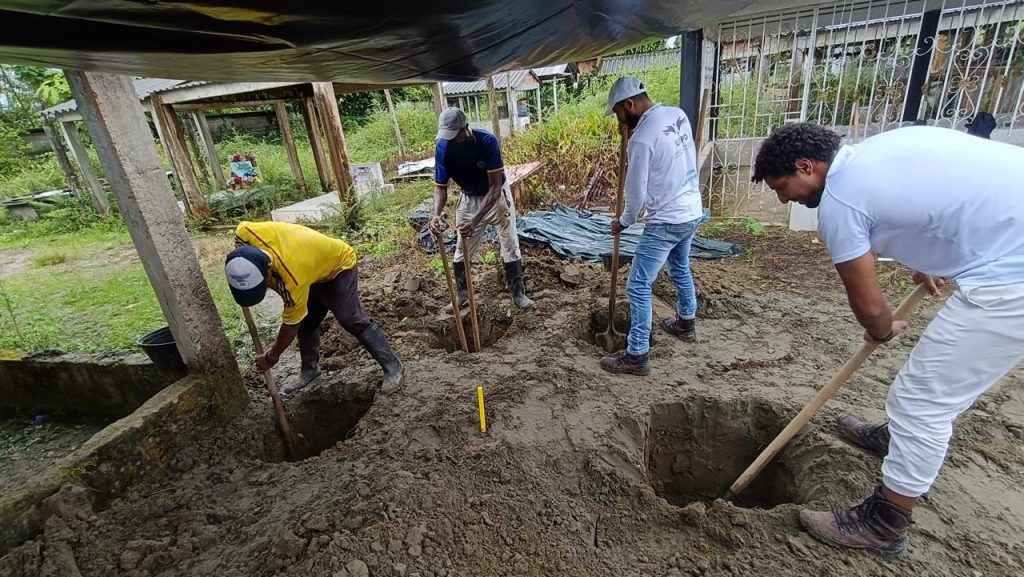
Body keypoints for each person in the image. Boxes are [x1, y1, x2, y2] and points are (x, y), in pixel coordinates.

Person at [752, 122, 1024, 555]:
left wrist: (880, 329)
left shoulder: (840, 202)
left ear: (806, 166)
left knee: (922, 401)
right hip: (1009, 244)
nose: (784, 200)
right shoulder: (883, 149)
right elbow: (942, 201)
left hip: (1011, 279)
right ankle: (898, 439)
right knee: (925, 397)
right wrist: (933, 257)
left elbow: (871, 309)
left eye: (782, 187)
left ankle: (884, 523)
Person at [599, 76, 704, 376]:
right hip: (691, 211)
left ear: (630, 104)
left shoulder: (642, 139)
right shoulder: (676, 114)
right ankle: (686, 322)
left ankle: (637, 354)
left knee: (638, 284)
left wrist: (622, 222)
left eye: (618, 113)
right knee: (680, 266)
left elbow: (636, 197)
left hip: (666, 220)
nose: (618, 121)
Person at [224, 221, 404, 394]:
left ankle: (393, 366)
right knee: (308, 320)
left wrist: (271, 357)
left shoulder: (292, 279)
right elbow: (241, 256)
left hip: (338, 266)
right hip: (310, 265)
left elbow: (291, 326)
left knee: (350, 318)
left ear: (269, 269)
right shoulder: (245, 232)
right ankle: (310, 370)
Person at [427, 107, 534, 310]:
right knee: (462, 249)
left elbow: (494, 187)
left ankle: (518, 293)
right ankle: (462, 294)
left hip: (496, 197)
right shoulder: (442, 147)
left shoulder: (487, 141)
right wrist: (436, 215)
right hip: (468, 198)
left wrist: (475, 220)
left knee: (510, 243)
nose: (452, 139)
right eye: (447, 135)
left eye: (455, 134)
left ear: (465, 129)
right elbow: (440, 187)